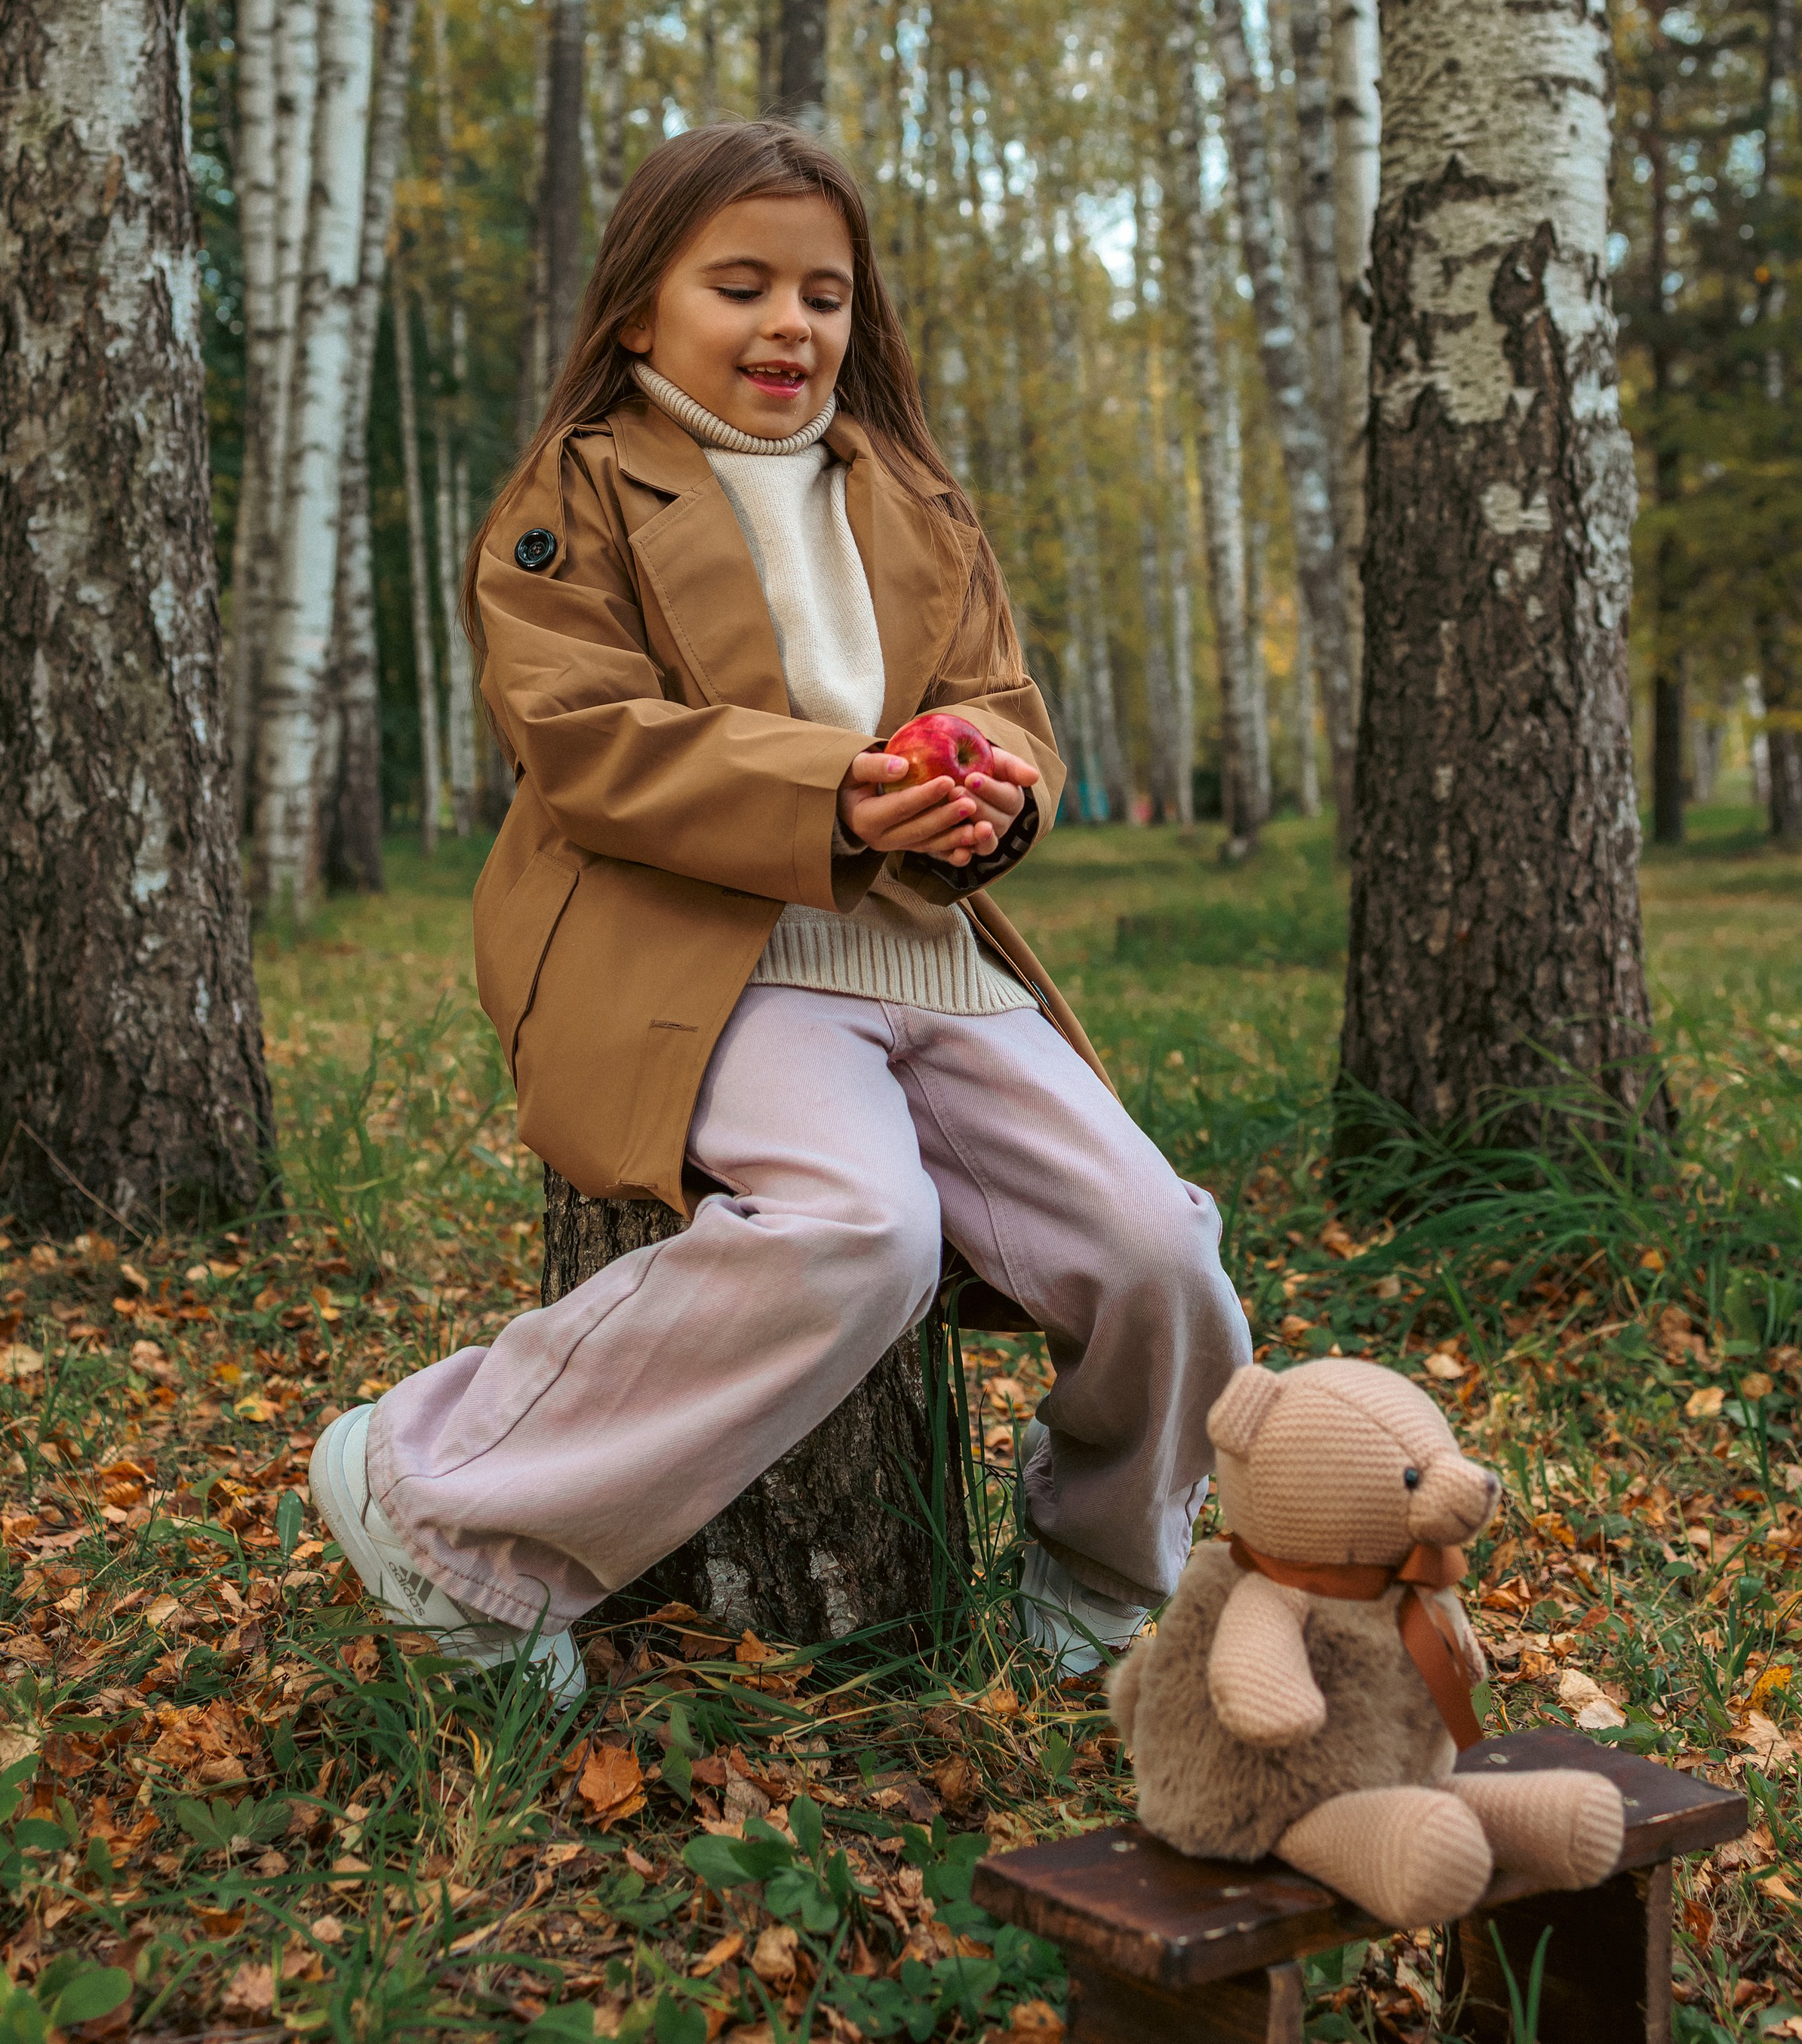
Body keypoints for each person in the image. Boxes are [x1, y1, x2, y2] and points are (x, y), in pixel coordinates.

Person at [310, 122, 1250, 1695]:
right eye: (736, 285)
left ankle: (1097, 1569)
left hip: (925, 954)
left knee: (1160, 1249)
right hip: (709, 957)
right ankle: (438, 1501)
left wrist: (989, 788)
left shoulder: (913, 498)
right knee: (855, 1231)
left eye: (821, 292)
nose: (786, 325)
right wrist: (828, 791)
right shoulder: (579, 492)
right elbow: (580, 735)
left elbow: (995, 701)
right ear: (638, 310)